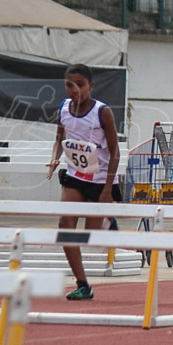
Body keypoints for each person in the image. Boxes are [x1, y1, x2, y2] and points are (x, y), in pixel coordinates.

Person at [45, 64, 121, 300]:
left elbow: (115, 151)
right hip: (76, 175)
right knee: (66, 226)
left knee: (92, 236)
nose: (74, 89)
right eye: (69, 84)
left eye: (80, 84)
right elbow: (60, 138)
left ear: (91, 86)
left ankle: (108, 221)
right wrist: (54, 158)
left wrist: (108, 189)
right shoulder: (64, 109)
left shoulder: (102, 112)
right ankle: (83, 284)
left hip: (100, 179)